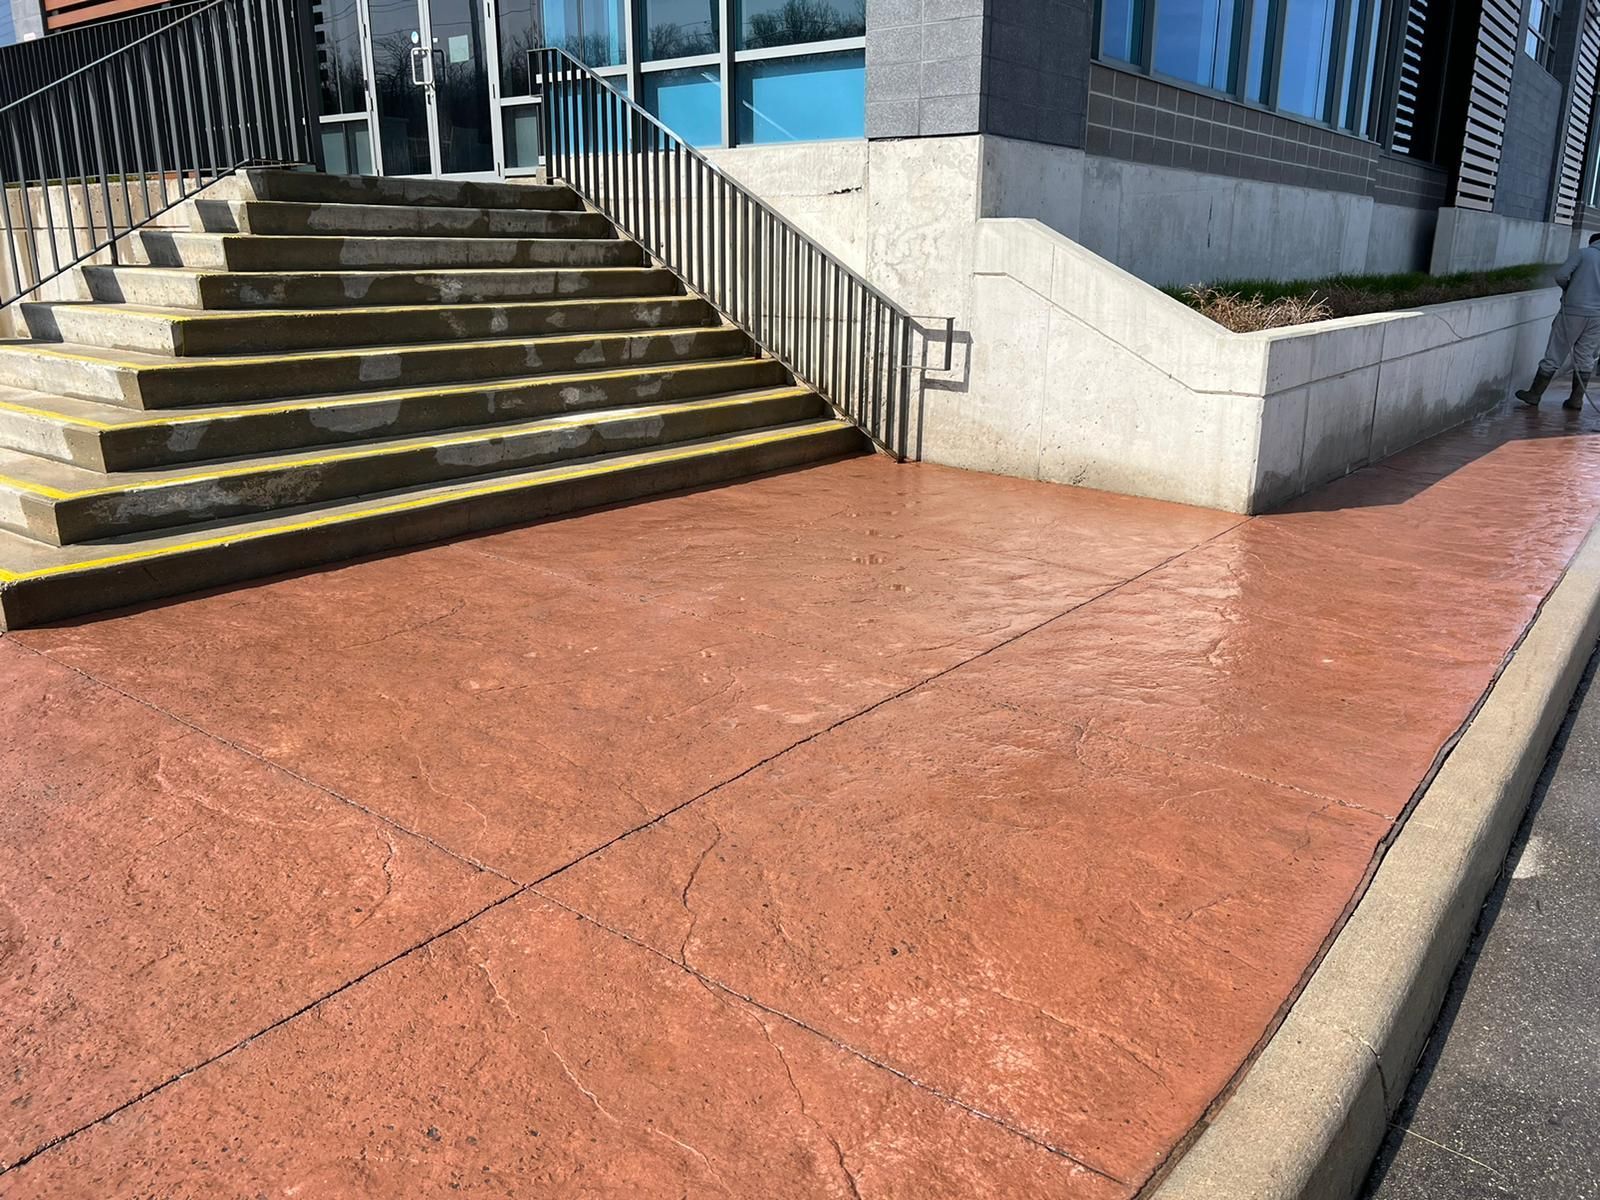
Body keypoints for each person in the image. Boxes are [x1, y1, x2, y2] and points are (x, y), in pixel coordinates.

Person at [1517, 232, 1600, 411]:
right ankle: (1576, 400)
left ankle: (1534, 394)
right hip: (1597, 317)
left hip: (1573, 311)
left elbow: (1561, 275)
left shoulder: (1584, 253)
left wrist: (1570, 289)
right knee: (1585, 356)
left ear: (1593, 242)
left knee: (1555, 352)